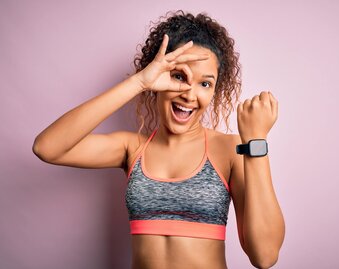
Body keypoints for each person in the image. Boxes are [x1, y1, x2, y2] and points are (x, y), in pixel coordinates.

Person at [33, 10, 285, 269]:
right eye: (178, 77)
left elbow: (265, 256)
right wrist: (140, 82)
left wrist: (256, 143)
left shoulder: (231, 150)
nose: (189, 94)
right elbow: (46, 147)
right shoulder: (132, 148)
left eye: (205, 84)